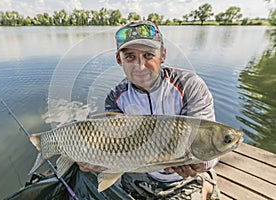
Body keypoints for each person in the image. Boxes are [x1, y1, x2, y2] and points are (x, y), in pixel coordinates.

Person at [79, 20, 221, 200]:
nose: (140, 66)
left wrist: (202, 165)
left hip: (185, 178)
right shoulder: (115, 97)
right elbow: (115, 148)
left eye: (148, 55)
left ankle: (206, 184)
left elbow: (210, 150)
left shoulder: (189, 86)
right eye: (130, 57)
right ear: (119, 60)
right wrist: (93, 159)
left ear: (162, 55)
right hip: (140, 173)